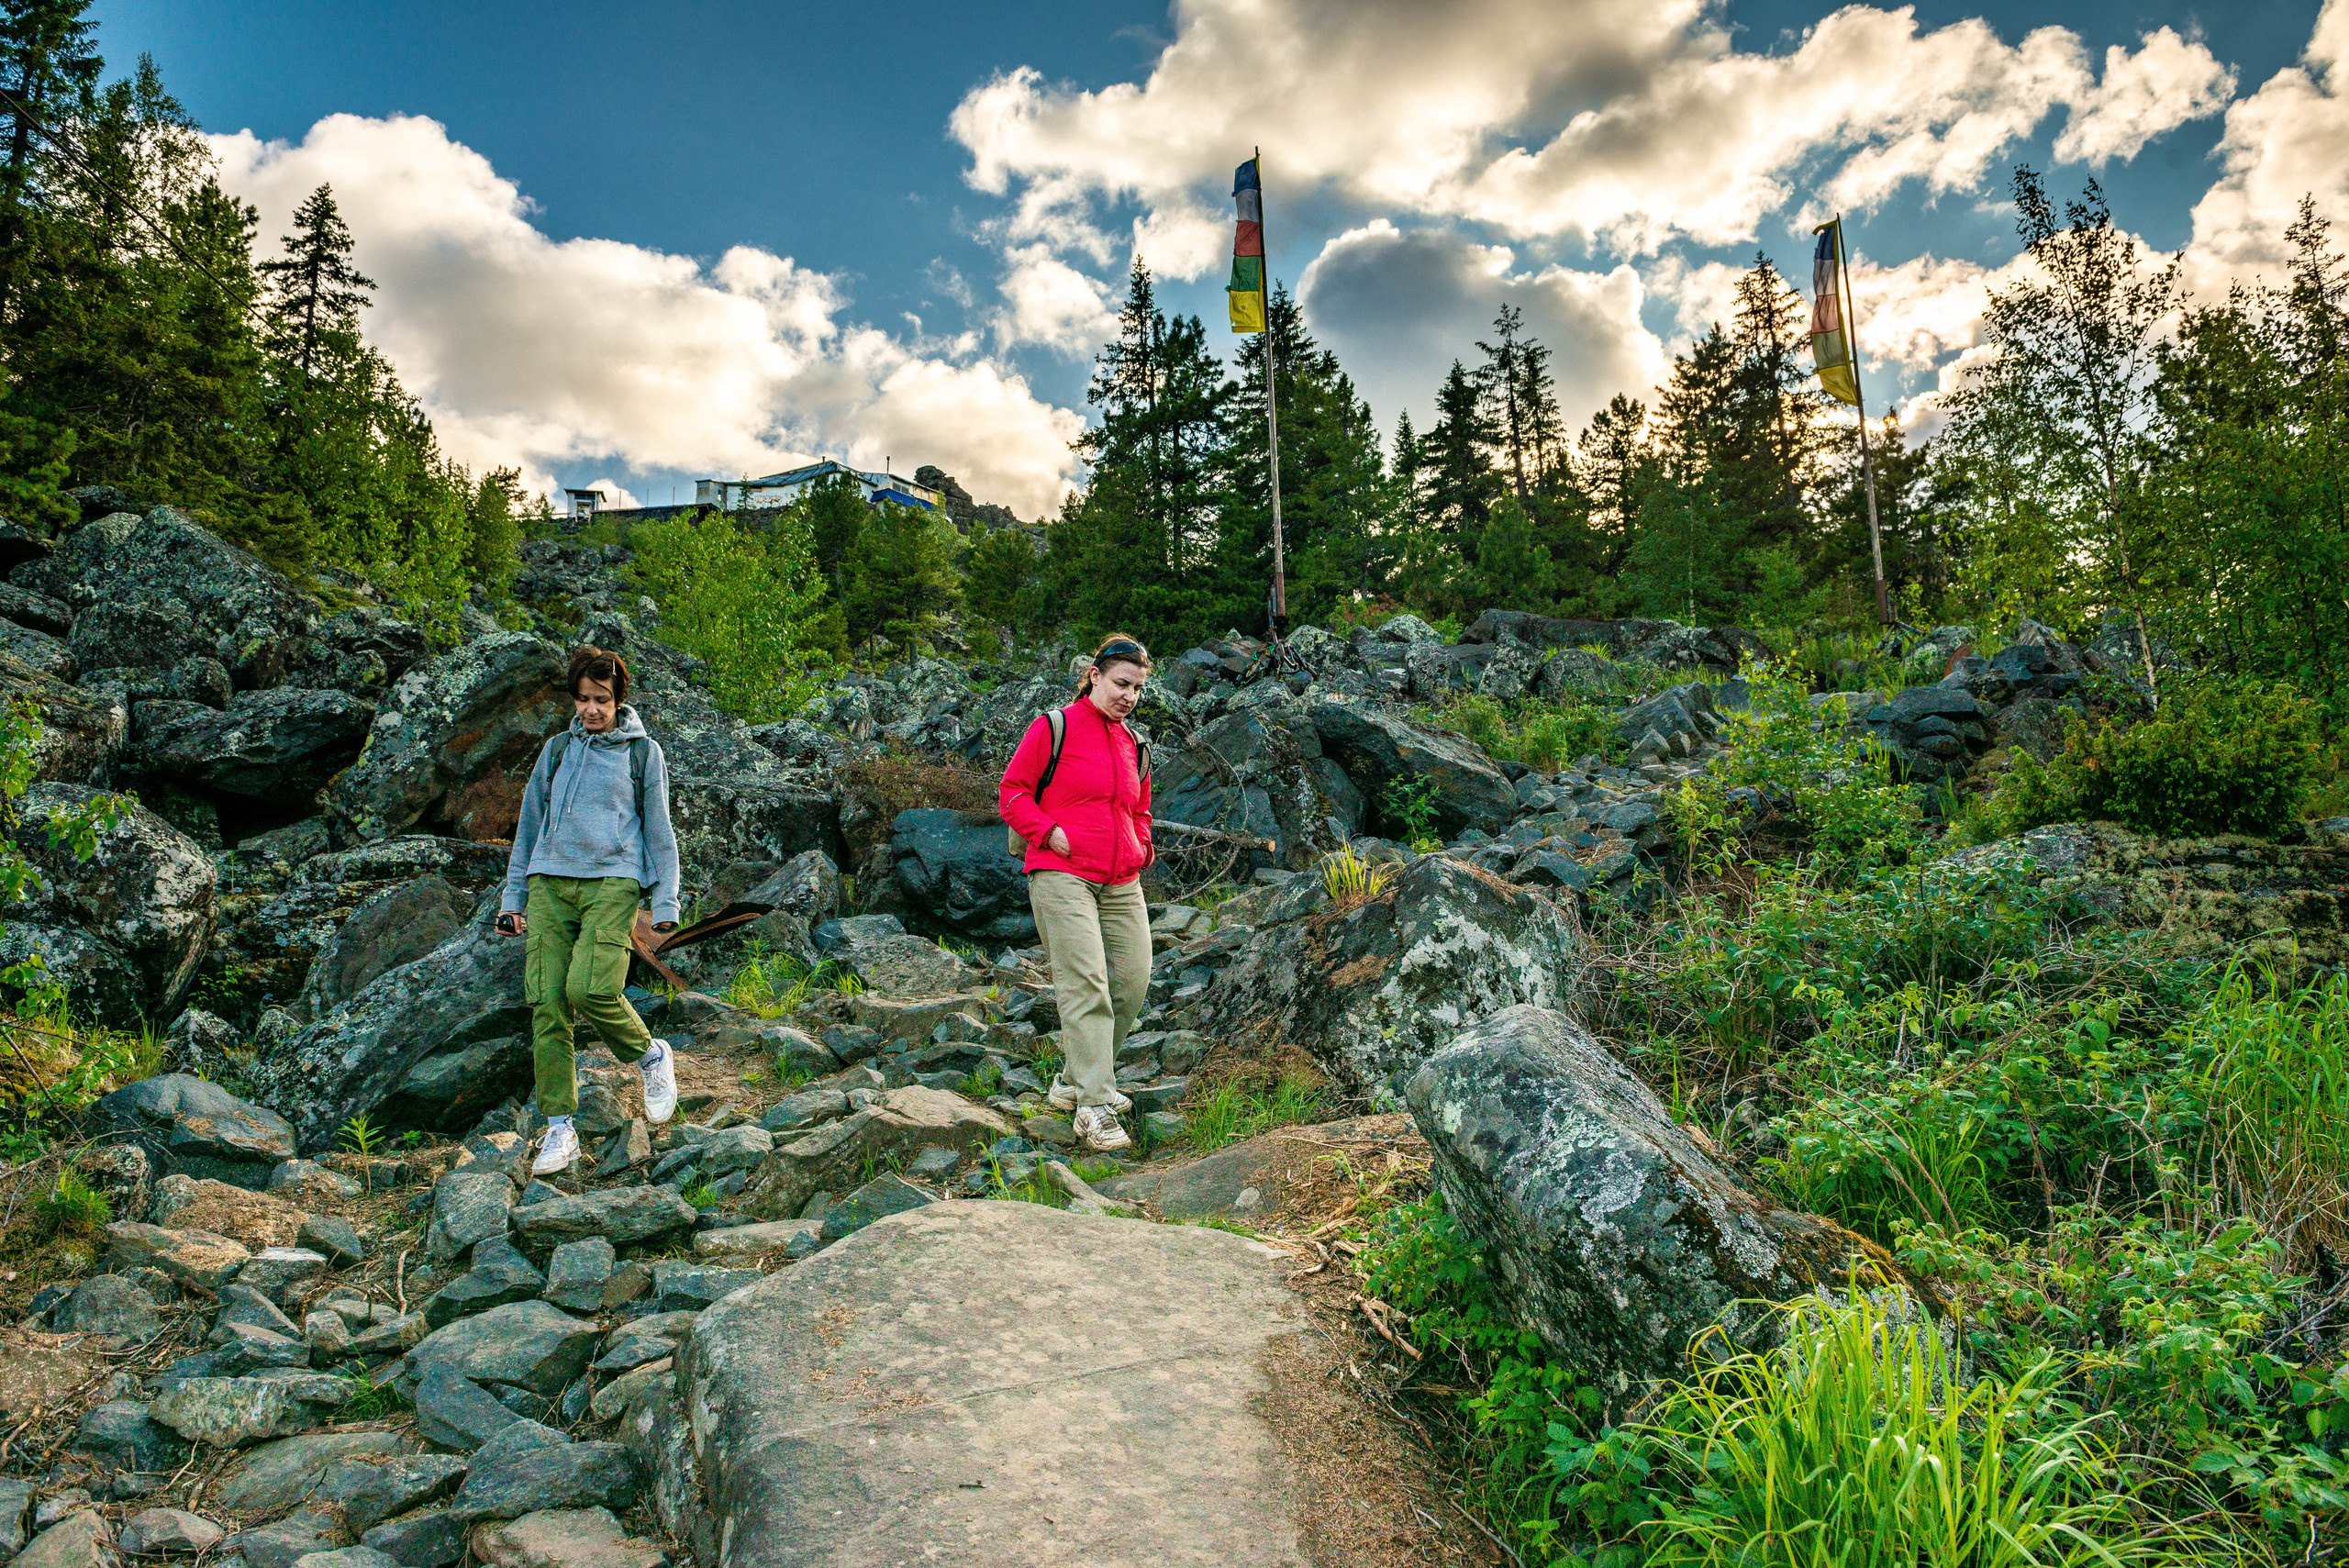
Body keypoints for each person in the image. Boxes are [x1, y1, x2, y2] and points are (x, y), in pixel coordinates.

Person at [497, 646, 683, 1175]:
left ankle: (651, 1057)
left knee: (591, 989)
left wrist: (665, 901)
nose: (590, 710)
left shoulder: (643, 753)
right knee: (548, 1004)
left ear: (618, 699)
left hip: (613, 881)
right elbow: (528, 826)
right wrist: (514, 901)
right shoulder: (556, 750)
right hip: (550, 884)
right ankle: (560, 1129)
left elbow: (659, 832)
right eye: (582, 699)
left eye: (600, 699)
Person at [997, 634, 1155, 1152]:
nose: (1128, 695)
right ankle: (1093, 1106)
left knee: (1131, 983)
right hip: (1061, 872)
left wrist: (1143, 848)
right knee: (1086, 982)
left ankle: (1073, 1081)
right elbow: (1013, 791)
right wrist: (1048, 832)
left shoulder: (1135, 744)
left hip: (1121, 880)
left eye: (1137, 687)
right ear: (1095, 676)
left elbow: (1139, 810)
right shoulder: (1054, 727)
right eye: (1120, 683)